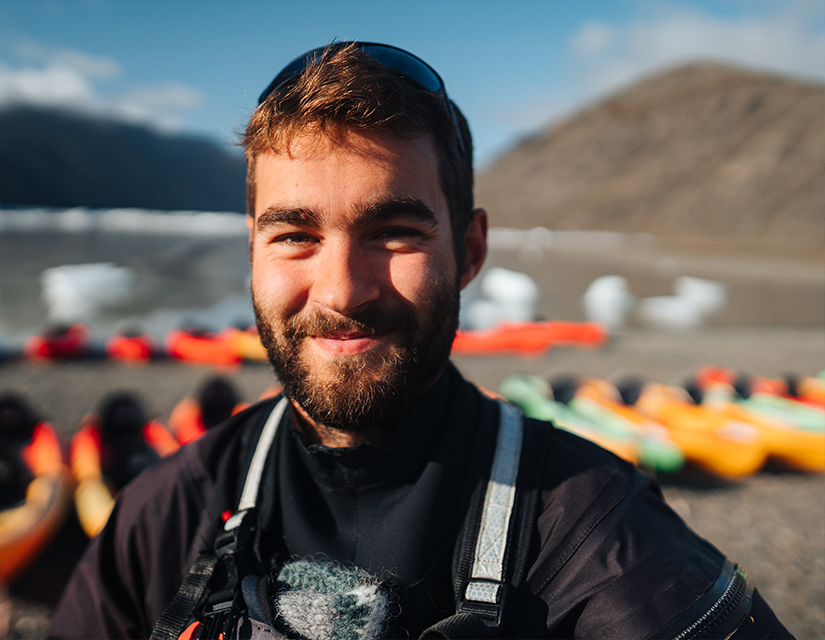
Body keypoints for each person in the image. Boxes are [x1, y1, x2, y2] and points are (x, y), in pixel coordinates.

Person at [47, 43, 789, 639]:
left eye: (394, 232)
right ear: (253, 251)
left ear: (469, 251)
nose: (342, 291)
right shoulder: (161, 514)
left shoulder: (593, 529)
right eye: (295, 235)